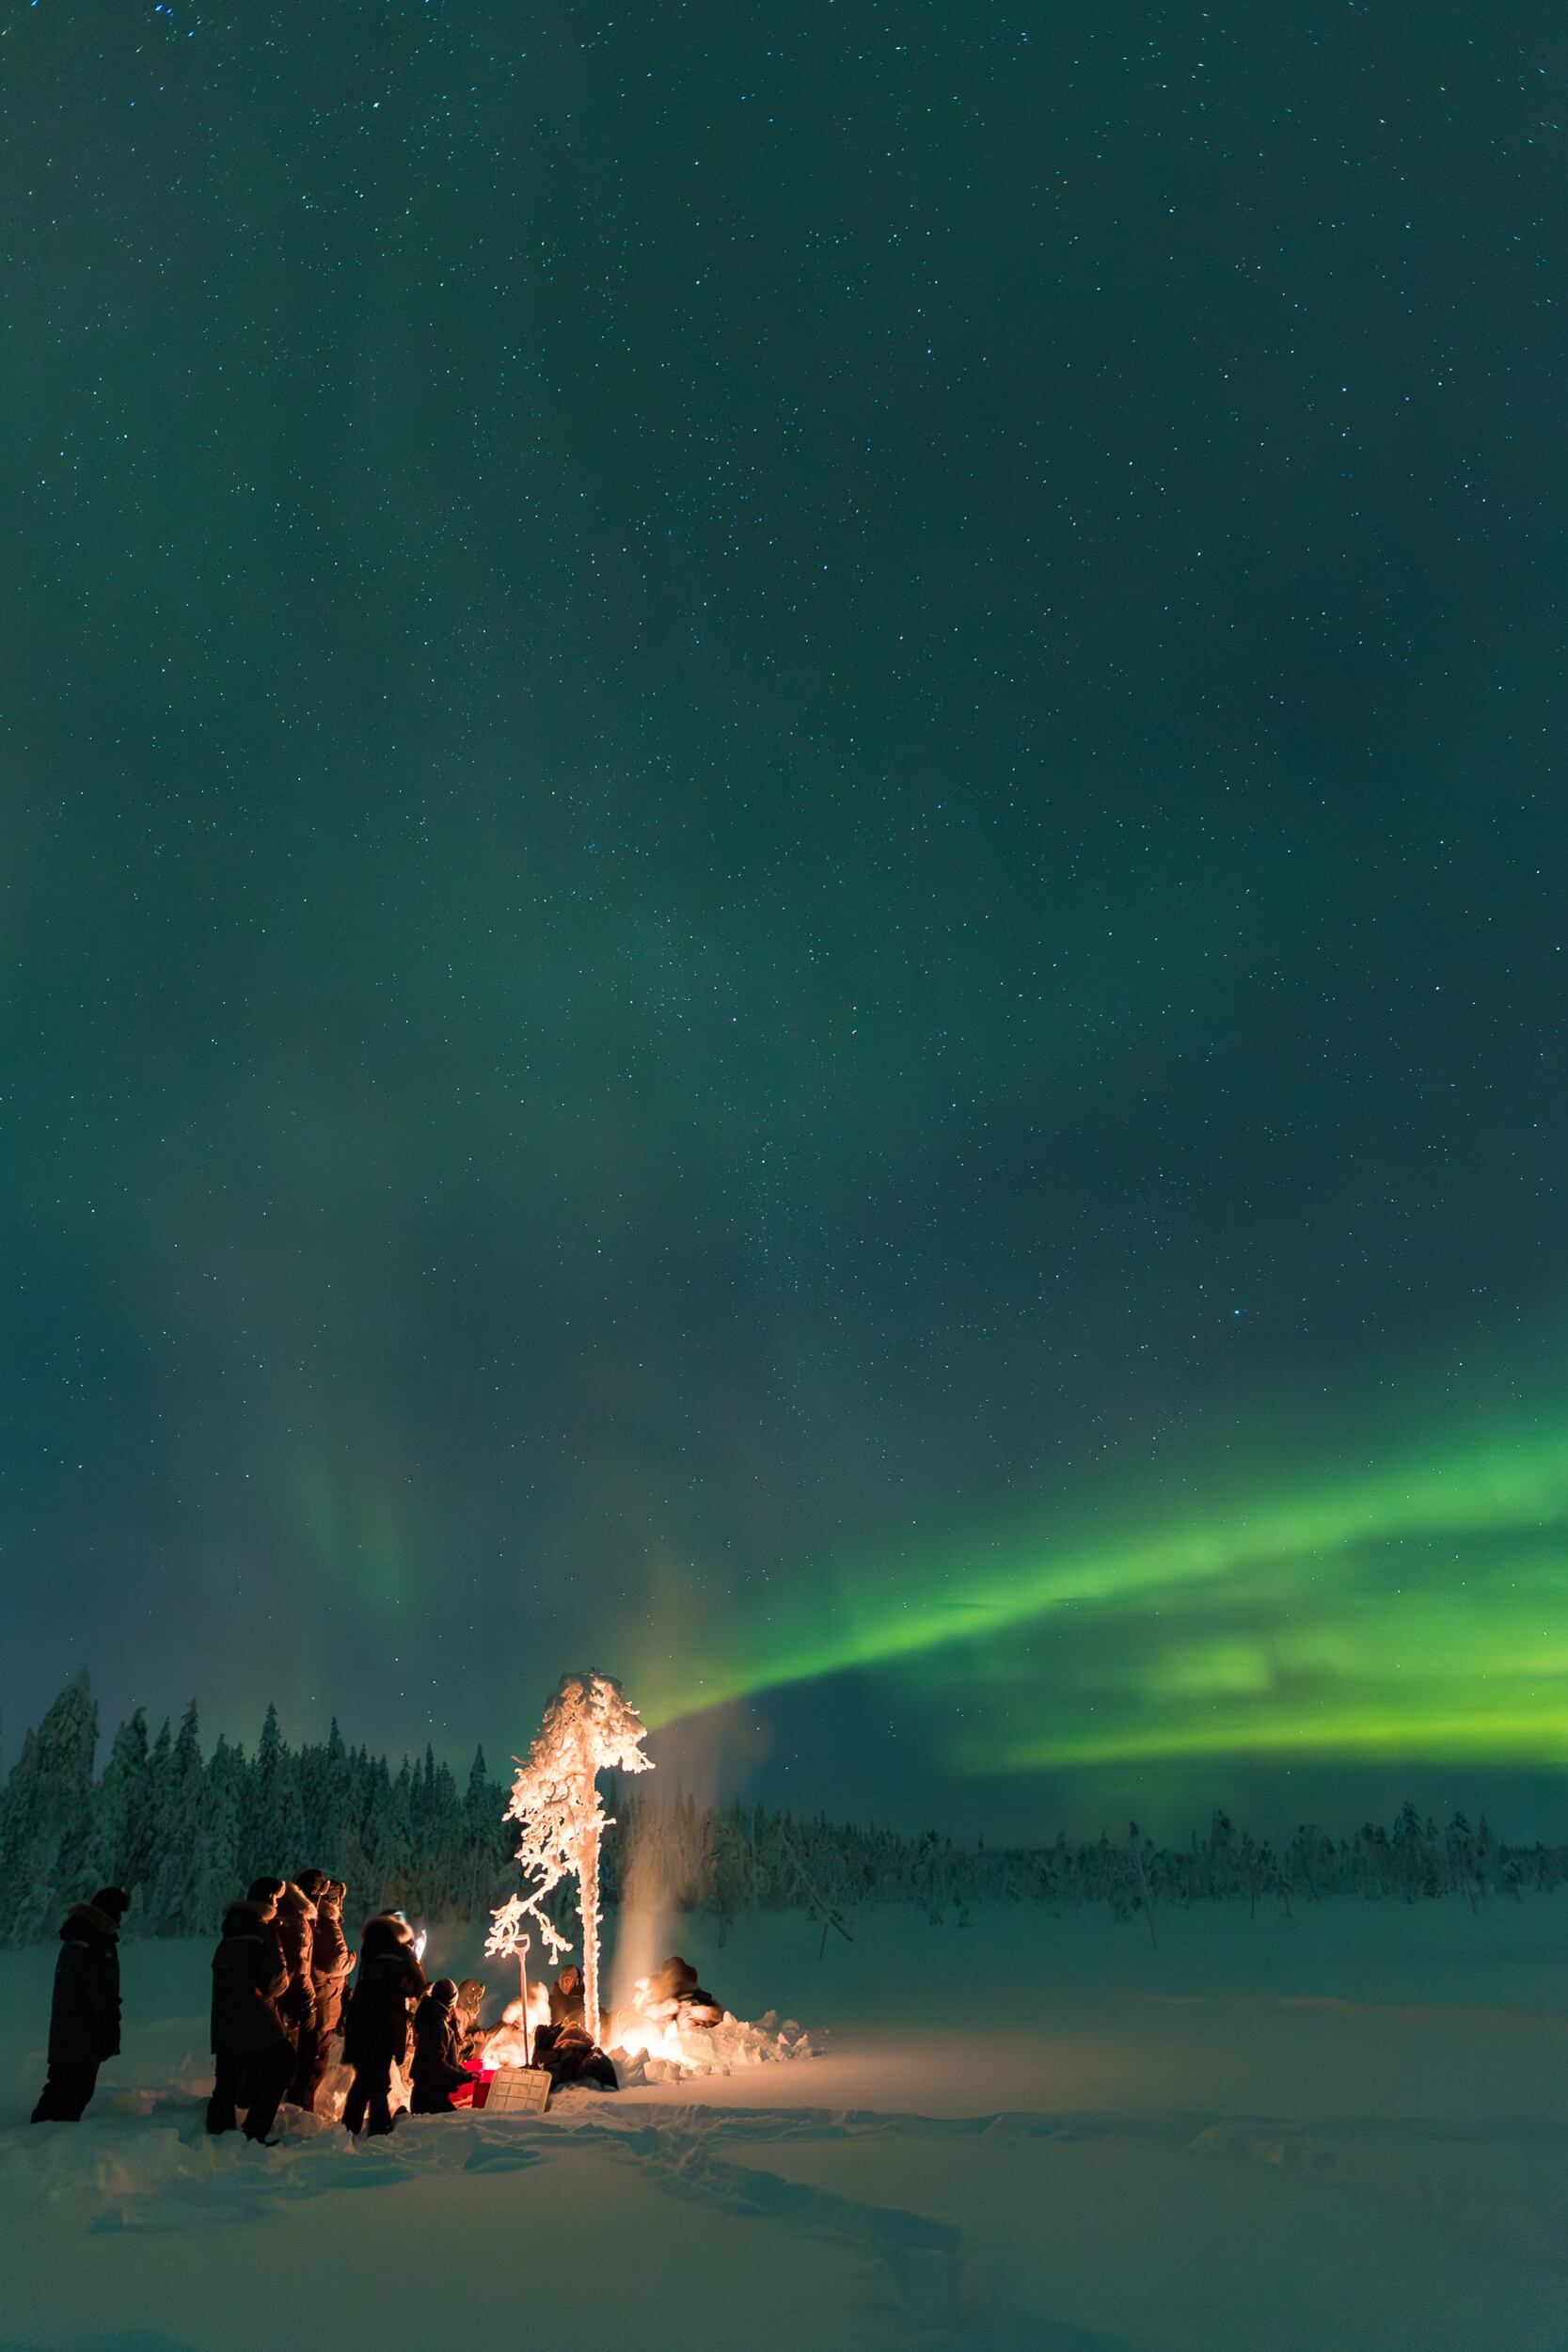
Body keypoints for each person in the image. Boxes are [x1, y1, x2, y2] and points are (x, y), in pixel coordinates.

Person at [31, 1887, 130, 2122]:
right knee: (69, 2090)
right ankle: (45, 2136)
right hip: (80, 2034)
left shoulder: (88, 1938)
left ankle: (47, 2133)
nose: (119, 1922)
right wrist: (108, 2028)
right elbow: (96, 1992)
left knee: (68, 2089)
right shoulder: (89, 1942)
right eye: (118, 1914)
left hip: (79, 2034)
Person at [208, 1877, 293, 2142]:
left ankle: (216, 2139)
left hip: (225, 2020)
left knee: (228, 2081)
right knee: (283, 2062)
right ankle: (254, 2133)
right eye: (277, 1899)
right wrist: (287, 1975)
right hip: (257, 2020)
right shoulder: (261, 1933)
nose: (278, 1905)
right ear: (269, 1900)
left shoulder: (232, 1930)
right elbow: (274, 1981)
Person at [341, 1912, 426, 2137]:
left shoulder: (369, 1951)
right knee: (377, 2082)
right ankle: (375, 2130)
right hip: (384, 2024)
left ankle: (352, 2128)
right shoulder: (400, 1953)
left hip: (360, 2022)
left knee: (366, 2080)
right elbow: (419, 1983)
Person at [293, 1874, 353, 2111]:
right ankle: (300, 2117)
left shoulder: (303, 1919)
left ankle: (297, 2111)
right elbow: (336, 1961)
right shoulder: (326, 1921)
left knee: (304, 2064)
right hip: (322, 2003)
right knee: (313, 2067)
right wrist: (352, 1959)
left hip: (310, 2002)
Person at [274, 1878, 319, 2105]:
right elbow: (299, 1966)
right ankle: (292, 2108)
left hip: (285, 1998)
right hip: (296, 1998)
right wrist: (307, 1998)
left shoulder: (282, 1919)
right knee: (298, 2057)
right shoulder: (297, 1922)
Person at [409, 1979, 474, 2112]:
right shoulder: (437, 2025)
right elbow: (437, 2064)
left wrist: (463, 2072)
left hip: (427, 2094)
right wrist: (463, 2077)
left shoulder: (432, 2018)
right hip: (431, 2097)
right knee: (456, 2122)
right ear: (451, 2001)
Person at [646, 1954, 722, 2026]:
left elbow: (662, 1994)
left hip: (683, 2007)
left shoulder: (662, 1982)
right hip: (699, 2004)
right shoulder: (690, 1980)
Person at [548, 1963, 585, 2030]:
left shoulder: (587, 2005)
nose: (564, 1983)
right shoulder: (548, 2003)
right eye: (562, 1979)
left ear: (577, 1981)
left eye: (568, 1979)